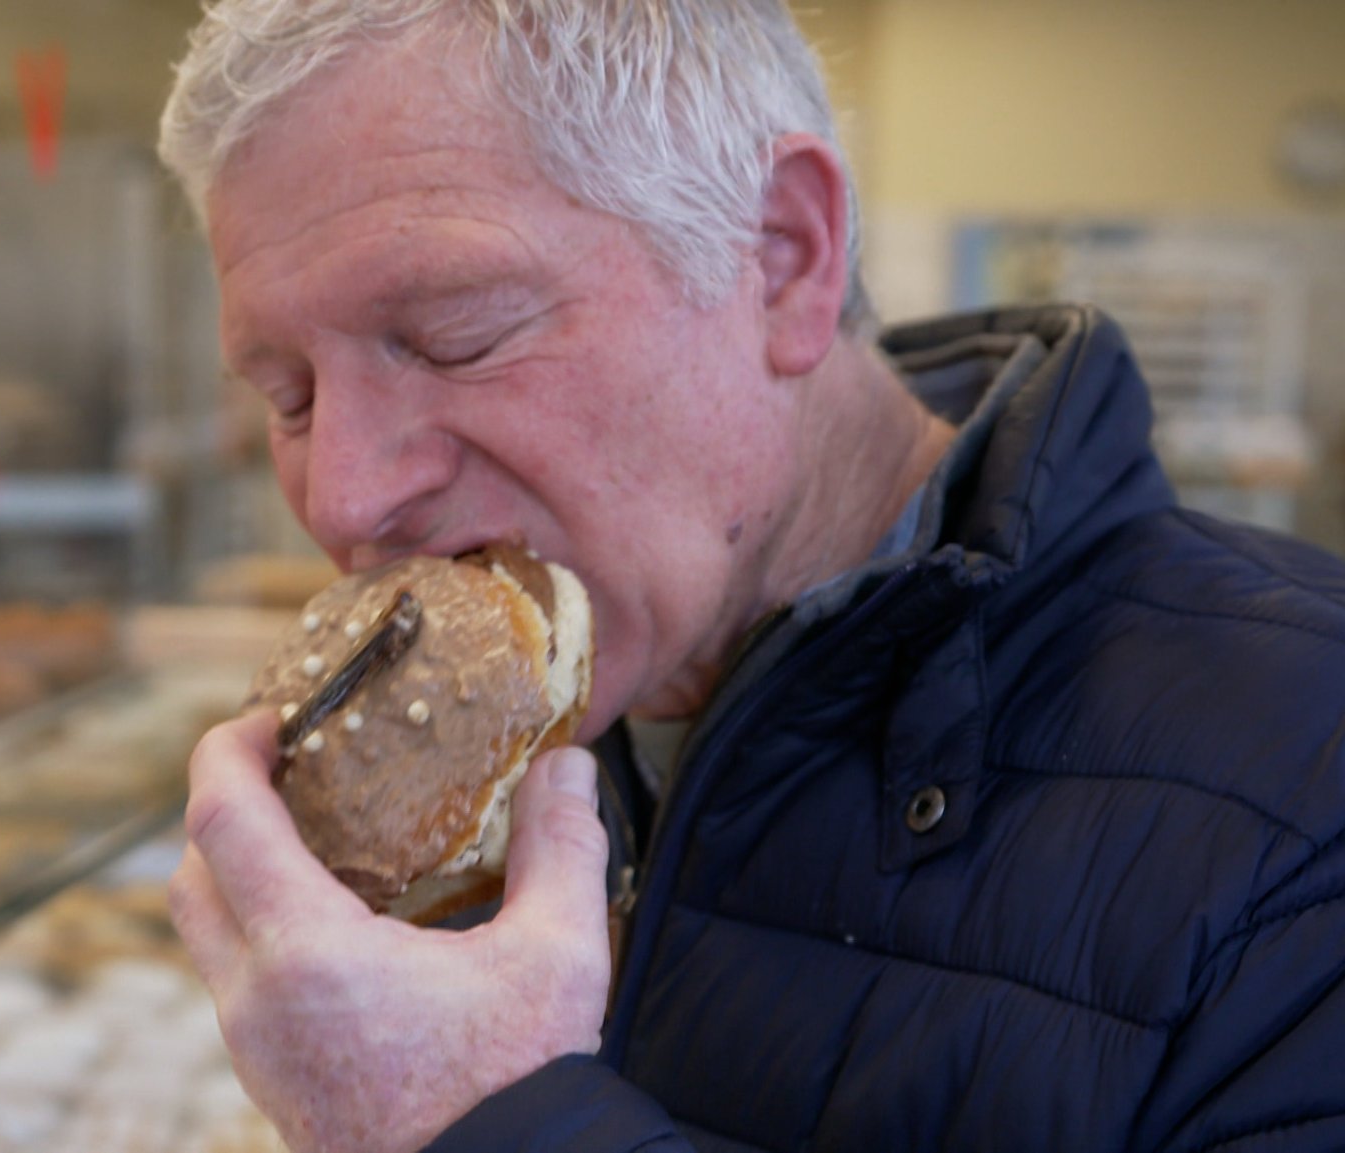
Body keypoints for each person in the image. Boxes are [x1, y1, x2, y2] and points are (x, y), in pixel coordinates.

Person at [156, 3, 1345, 1151]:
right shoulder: (516, 750)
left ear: (782, 257)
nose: (343, 498)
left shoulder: (1306, 794)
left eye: (454, 333)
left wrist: (471, 1126)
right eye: (289, 397)